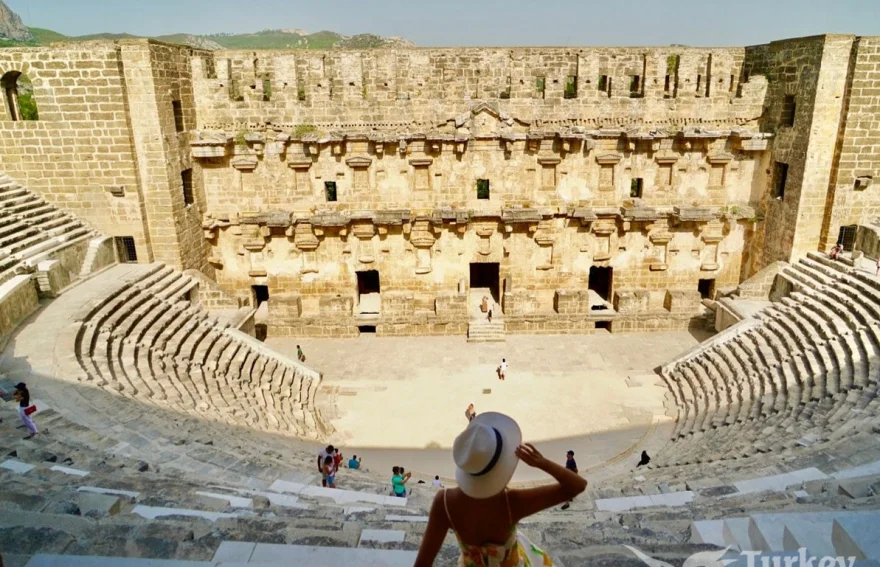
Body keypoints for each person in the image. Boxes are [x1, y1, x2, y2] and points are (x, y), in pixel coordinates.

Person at [414, 412, 587, 567]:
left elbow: (422, 563)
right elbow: (578, 486)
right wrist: (543, 463)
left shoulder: (444, 503)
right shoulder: (512, 503)